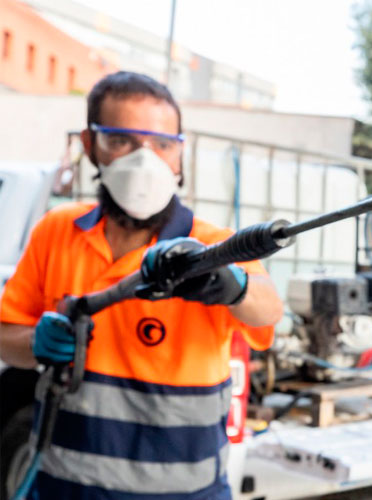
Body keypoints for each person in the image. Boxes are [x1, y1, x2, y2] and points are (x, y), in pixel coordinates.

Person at [0, 71, 284, 499]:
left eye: (162, 145)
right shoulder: (56, 231)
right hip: (64, 488)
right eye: (123, 141)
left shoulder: (212, 245)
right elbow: (5, 336)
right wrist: (35, 342)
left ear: (179, 157)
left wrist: (232, 284)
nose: (144, 161)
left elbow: (268, 310)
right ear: (89, 143)